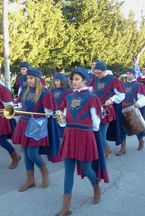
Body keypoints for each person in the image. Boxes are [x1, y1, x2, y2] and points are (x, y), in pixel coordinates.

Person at [55, 67, 109, 216]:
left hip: (84, 137)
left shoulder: (92, 98)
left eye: (77, 79)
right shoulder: (68, 97)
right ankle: (66, 206)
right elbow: (64, 122)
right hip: (69, 136)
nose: (73, 82)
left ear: (85, 80)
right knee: (68, 172)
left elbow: (96, 124)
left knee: (87, 169)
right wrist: (61, 120)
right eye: (72, 79)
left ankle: (96, 187)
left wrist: (80, 123)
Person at [11, 68, 61, 192]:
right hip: (24, 123)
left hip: (37, 125)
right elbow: (21, 106)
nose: (29, 80)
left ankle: (44, 170)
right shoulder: (24, 91)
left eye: (31, 78)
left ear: (38, 79)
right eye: (28, 78)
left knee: (32, 153)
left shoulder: (45, 92)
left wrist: (37, 117)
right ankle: (30, 180)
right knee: (27, 153)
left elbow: (49, 113)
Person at [89, 62, 125, 159]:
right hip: (96, 109)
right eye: (95, 72)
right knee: (95, 134)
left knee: (101, 135)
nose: (96, 75)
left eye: (98, 73)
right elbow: (91, 90)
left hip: (107, 111)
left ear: (104, 71)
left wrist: (111, 99)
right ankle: (105, 150)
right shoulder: (95, 78)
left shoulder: (113, 79)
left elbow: (121, 95)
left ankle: (102, 156)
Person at [116, 68, 145, 156]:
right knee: (122, 128)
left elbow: (142, 97)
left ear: (133, 74)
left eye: (130, 73)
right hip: (123, 108)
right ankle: (123, 148)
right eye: (127, 73)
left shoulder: (138, 85)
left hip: (133, 108)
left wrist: (138, 103)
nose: (128, 75)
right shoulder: (123, 85)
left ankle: (141, 141)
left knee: (136, 127)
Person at [50, 72, 73, 137]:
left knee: (62, 133)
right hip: (53, 113)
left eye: (58, 81)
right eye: (55, 81)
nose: (56, 82)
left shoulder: (68, 91)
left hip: (62, 113)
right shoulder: (52, 90)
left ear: (62, 81)